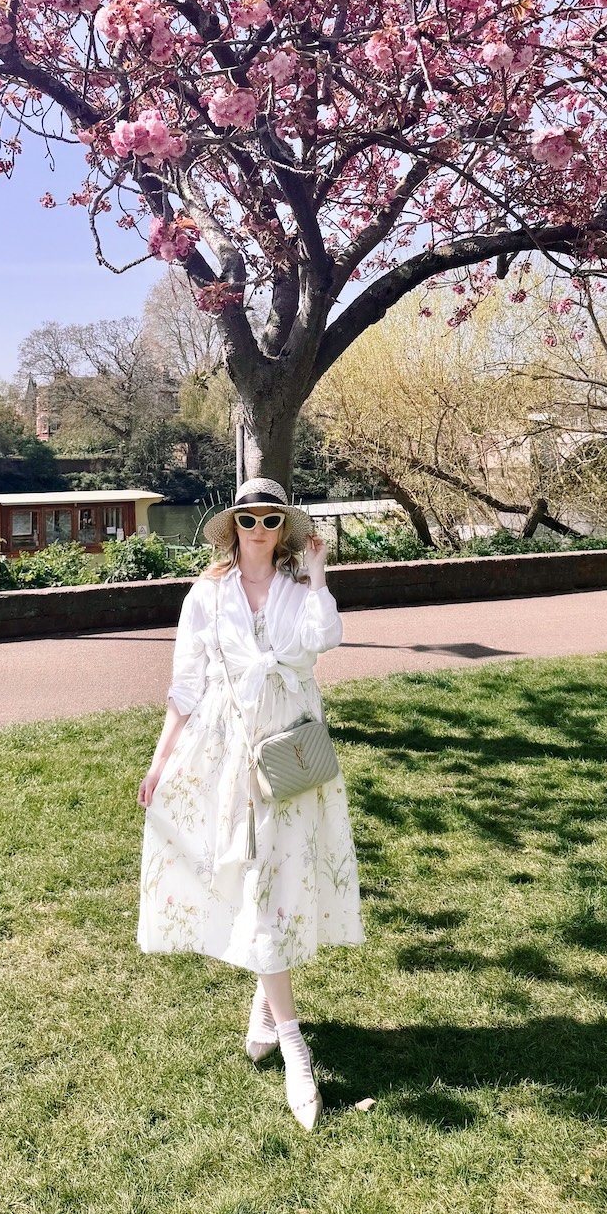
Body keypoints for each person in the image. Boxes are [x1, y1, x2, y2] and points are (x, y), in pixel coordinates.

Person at [136, 476, 364, 1130]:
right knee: (260, 881)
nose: (258, 530)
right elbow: (184, 686)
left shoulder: (300, 589)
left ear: (284, 528)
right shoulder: (206, 596)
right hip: (229, 752)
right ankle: (294, 1040)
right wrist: (159, 763)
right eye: (248, 519)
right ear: (231, 526)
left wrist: (318, 576)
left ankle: (269, 1007)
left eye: (270, 520)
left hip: (290, 751)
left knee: (281, 879)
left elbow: (326, 641)